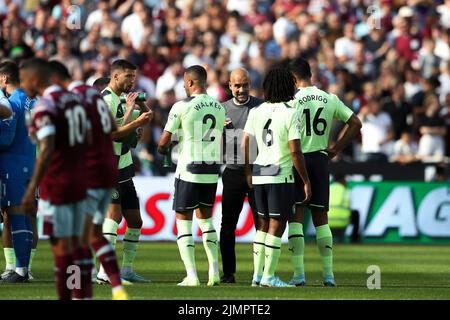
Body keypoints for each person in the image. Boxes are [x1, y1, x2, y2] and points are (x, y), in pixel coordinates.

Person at [48, 60, 129, 300]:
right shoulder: (96, 101)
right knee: (91, 233)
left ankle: (74, 292)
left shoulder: (68, 102)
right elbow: (113, 129)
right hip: (105, 172)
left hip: (77, 174)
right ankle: (112, 285)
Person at [289, 57, 362, 287]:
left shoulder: (291, 101)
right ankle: (328, 275)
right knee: (322, 220)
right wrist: (337, 149)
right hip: (321, 160)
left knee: (297, 218)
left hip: (297, 159)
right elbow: (356, 123)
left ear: (293, 78)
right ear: (310, 75)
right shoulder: (329, 98)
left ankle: (299, 276)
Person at [20, 58, 88, 300]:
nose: (22, 84)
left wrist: (30, 190)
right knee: (78, 245)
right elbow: (89, 136)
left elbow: (47, 149)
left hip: (58, 184)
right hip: (82, 181)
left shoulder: (46, 105)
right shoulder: (77, 101)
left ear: (36, 80)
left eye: (24, 79)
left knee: (62, 249)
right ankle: (82, 296)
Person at [242, 67, 311, 288]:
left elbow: (245, 145)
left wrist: (248, 171)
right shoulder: (291, 112)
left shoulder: (256, 111)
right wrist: (306, 180)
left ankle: (257, 276)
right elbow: (295, 151)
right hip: (280, 174)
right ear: (287, 86)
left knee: (262, 226)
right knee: (277, 225)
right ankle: (269, 276)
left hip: (260, 173)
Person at [157, 65, 226, 286]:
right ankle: (214, 272)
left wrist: (165, 148)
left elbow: (163, 142)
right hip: (211, 170)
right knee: (206, 221)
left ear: (189, 82)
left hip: (189, 168)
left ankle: (192, 276)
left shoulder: (181, 106)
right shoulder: (219, 106)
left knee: (184, 221)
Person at [97, 59, 153, 284]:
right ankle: (104, 273)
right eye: (128, 76)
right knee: (114, 216)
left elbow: (135, 126)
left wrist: (141, 110)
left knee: (135, 220)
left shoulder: (120, 99)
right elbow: (111, 134)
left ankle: (127, 270)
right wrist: (135, 118)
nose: (132, 80)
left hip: (123, 167)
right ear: (115, 76)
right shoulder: (106, 99)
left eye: (134, 76)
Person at [220, 68, 263, 284]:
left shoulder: (262, 107)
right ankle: (228, 273)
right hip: (233, 173)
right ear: (230, 85)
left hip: (259, 173)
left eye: (245, 85)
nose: (241, 89)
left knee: (262, 226)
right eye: (237, 85)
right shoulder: (220, 110)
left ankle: (261, 273)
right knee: (228, 225)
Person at [0, 61, 36, 283]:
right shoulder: (31, 100)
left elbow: (7, 138)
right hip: (30, 160)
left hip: (13, 163)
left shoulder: (13, 102)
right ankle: (23, 267)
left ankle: (21, 269)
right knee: (23, 215)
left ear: (4, 79)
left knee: (14, 215)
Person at [328, 172, 360, 244]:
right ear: (342, 180)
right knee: (356, 213)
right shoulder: (346, 191)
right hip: (342, 222)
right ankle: (354, 240)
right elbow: (350, 206)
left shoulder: (328, 189)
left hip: (326, 222)